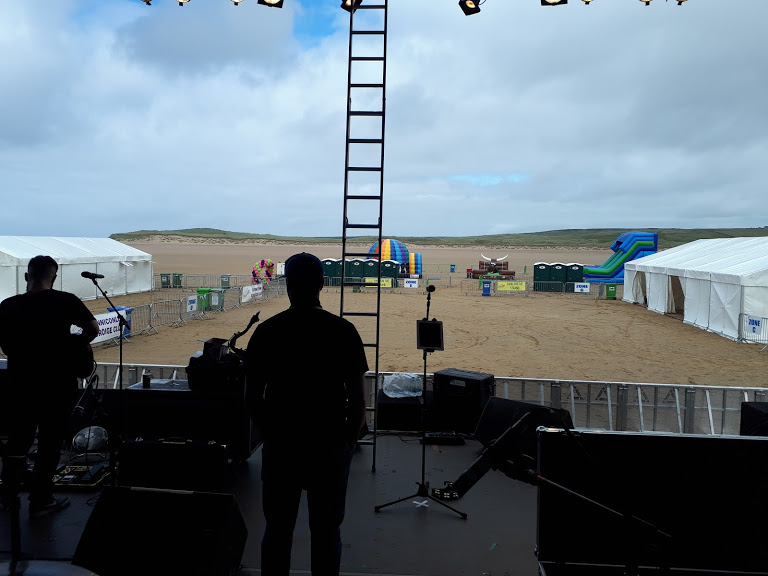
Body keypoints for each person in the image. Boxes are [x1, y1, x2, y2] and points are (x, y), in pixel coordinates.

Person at [245, 252, 368, 576]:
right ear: (322, 284)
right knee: (327, 534)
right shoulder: (344, 331)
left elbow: (252, 400)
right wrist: (346, 445)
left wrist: (273, 434)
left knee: (277, 533)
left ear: (287, 285)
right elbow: (357, 402)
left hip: (282, 449)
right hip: (328, 449)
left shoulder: (267, 332)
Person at [0, 255, 98, 516]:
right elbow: (92, 328)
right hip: (57, 385)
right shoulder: (65, 300)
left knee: (17, 441)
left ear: (26, 276)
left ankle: (8, 498)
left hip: (20, 384)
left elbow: (4, 344)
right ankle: (40, 500)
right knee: (50, 442)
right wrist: (72, 345)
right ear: (53, 278)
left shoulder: (8, 305)